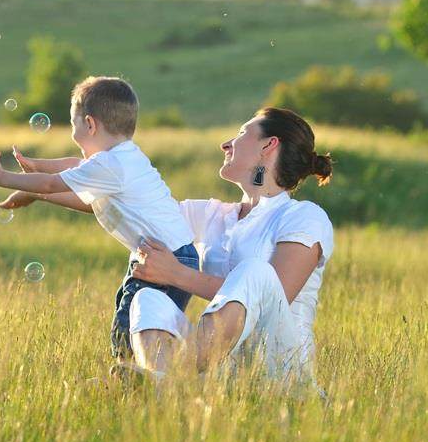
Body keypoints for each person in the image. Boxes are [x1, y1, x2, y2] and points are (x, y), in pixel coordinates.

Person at [0, 76, 198, 357]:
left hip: (166, 259)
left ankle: (131, 378)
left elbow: (53, 183)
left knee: (129, 323)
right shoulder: (124, 157)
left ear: (89, 124)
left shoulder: (111, 165)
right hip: (173, 255)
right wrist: (37, 168)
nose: (74, 137)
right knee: (134, 311)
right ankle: (150, 374)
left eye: (74, 127)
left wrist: (1, 177)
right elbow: (77, 168)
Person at [126, 107, 334, 385]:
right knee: (149, 301)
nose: (226, 144)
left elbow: (277, 294)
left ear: (269, 145)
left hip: (278, 372)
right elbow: (138, 207)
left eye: (240, 134)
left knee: (256, 272)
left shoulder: (305, 216)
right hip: (220, 375)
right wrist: (53, 183)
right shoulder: (215, 215)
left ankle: (173, 383)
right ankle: (167, 386)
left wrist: (176, 274)